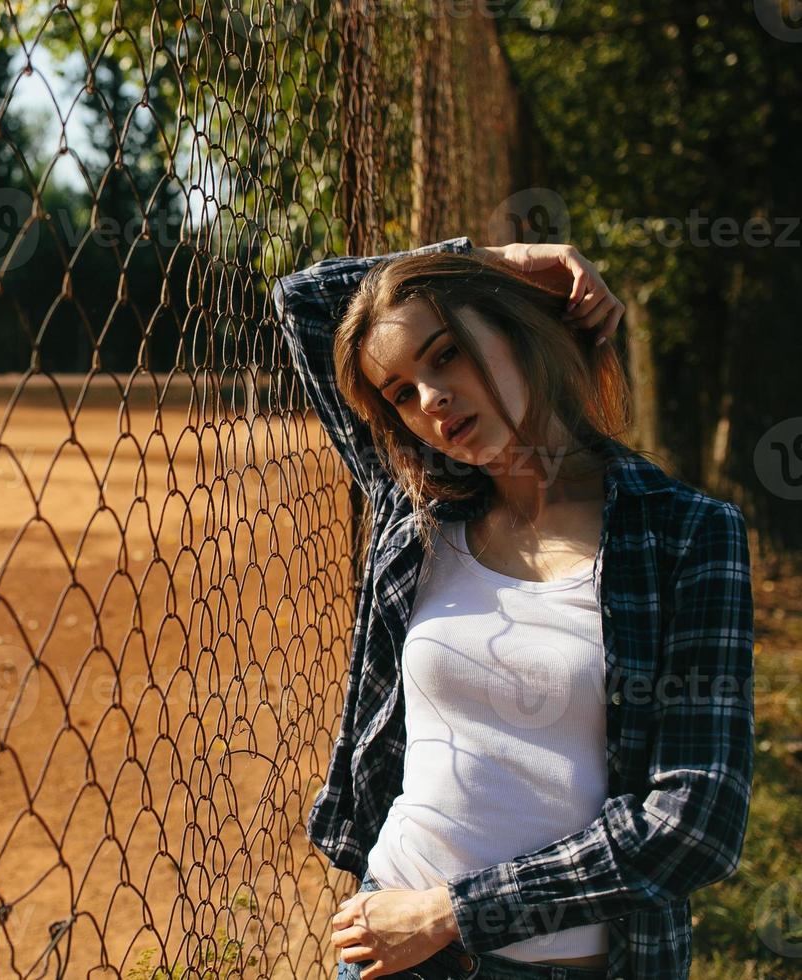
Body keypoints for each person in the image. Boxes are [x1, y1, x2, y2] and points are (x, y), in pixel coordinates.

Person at [272, 237, 755, 979]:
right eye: (402, 392)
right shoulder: (420, 511)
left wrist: (453, 913)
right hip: (390, 947)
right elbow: (305, 299)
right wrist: (488, 256)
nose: (430, 400)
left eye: (446, 354)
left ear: (516, 329)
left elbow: (695, 823)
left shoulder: (685, 535)